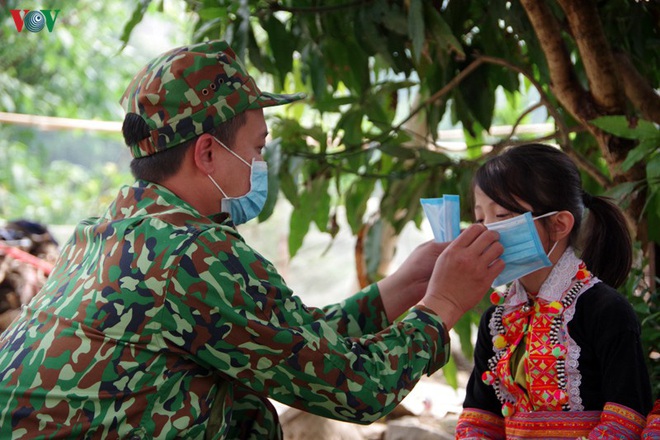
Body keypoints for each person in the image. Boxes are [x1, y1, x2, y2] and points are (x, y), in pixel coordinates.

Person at [0, 40, 505, 439]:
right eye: (257, 148)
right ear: (206, 154)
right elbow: (355, 389)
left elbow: (282, 339)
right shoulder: (190, 254)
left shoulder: (114, 230)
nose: (261, 165)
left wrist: (407, 285)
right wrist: (442, 304)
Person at [455, 144, 653, 439]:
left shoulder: (605, 310)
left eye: (501, 215)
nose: (485, 231)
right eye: (481, 218)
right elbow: (480, 421)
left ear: (559, 224)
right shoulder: (496, 320)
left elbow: (626, 421)